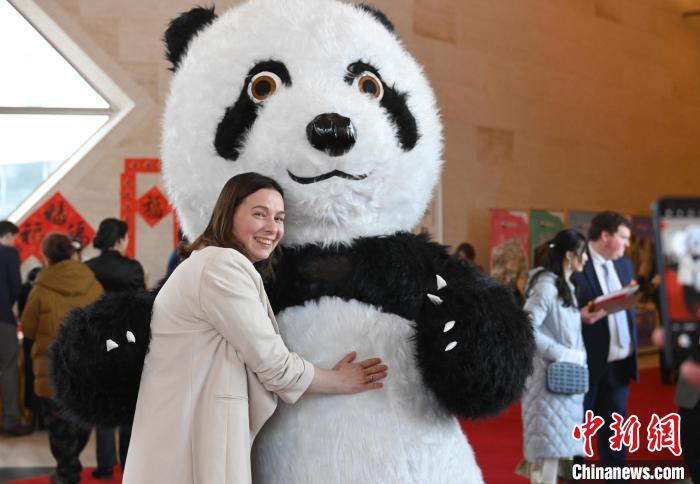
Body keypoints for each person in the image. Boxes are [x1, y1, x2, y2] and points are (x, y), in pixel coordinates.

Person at [123, 173, 388, 484]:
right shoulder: (220, 267)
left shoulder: (209, 263)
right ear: (228, 214)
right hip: (197, 436)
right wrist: (338, 380)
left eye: (279, 217)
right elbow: (273, 364)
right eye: (259, 213)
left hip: (186, 428)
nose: (272, 228)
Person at [517, 229, 600, 484]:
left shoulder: (564, 286)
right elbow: (526, 329)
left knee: (560, 455)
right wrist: (563, 354)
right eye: (583, 253)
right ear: (569, 255)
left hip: (565, 386)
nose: (586, 259)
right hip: (548, 387)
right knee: (547, 460)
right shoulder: (546, 286)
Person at [22, 233, 103, 483]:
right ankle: (71, 464)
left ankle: (66, 469)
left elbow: (28, 328)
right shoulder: (93, 284)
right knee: (81, 419)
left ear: (46, 257)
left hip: (52, 370)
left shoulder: (40, 288)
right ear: (71, 253)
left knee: (58, 423)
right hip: (85, 367)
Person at [571, 211, 636, 468]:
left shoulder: (624, 265)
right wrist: (579, 317)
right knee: (579, 434)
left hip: (619, 365)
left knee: (616, 435)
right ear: (605, 236)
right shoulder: (574, 264)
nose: (628, 244)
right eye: (623, 237)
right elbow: (554, 315)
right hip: (586, 367)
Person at [85, 218, 145, 479]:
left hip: (97, 339)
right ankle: (128, 463)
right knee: (128, 403)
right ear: (120, 238)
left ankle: (105, 464)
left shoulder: (88, 268)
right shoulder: (133, 268)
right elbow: (141, 306)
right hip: (127, 339)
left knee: (102, 402)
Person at [0, 220, 31, 436]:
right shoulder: (9, 254)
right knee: (9, 368)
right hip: (3, 319)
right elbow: (16, 288)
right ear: (9, 235)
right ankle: (10, 420)